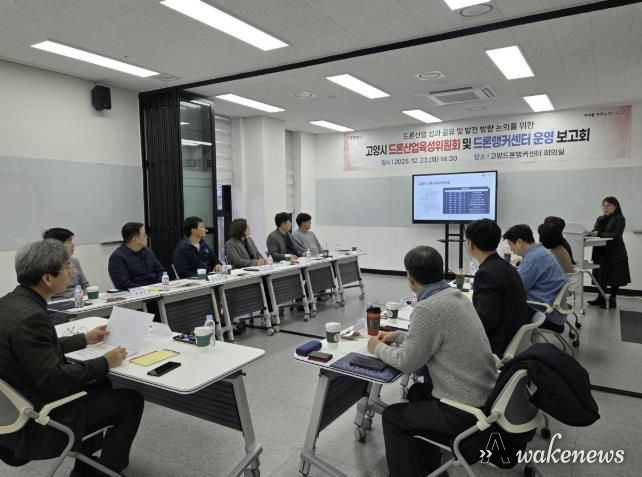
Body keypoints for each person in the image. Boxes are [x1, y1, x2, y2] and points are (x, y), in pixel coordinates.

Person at [0, 240, 143, 476]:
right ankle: (109, 471)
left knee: (101, 384)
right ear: (48, 278)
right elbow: (54, 379)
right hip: (38, 421)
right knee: (132, 400)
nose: (71, 271)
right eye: (67, 267)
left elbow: (36, 348)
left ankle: (84, 470)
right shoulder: (32, 317)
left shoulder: (9, 304)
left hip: (16, 404)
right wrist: (105, 362)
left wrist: (84, 339)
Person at [367, 246, 497, 477]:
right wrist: (397, 337)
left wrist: (377, 348)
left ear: (410, 278)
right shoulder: (456, 296)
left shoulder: (428, 308)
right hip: (486, 395)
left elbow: (408, 362)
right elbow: (435, 339)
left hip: (465, 409)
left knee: (392, 417)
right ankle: (428, 467)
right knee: (417, 392)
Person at [464, 219, 529, 356]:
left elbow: (486, 321)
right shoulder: (506, 266)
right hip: (512, 339)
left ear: (472, 244)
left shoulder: (486, 274)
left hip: (496, 346)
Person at [503, 224, 567, 333]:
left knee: (501, 305)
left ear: (519, 242)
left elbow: (517, 289)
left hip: (545, 314)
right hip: (553, 310)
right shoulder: (541, 252)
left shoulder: (533, 258)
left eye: (510, 245)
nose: (511, 249)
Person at [588, 196, 631, 308]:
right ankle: (600, 297)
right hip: (600, 251)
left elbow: (616, 235)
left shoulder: (620, 219)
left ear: (615, 207)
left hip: (615, 253)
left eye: (608, 206)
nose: (605, 208)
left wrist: (599, 234)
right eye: (603, 206)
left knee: (615, 276)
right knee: (600, 276)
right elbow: (595, 231)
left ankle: (612, 300)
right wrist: (590, 233)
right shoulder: (600, 218)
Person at [108, 222, 165, 290]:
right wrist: (147, 289)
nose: (147, 237)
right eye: (144, 235)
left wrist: (159, 285)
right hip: (136, 294)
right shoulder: (117, 258)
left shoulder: (148, 251)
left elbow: (161, 271)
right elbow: (123, 284)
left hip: (156, 290)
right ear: (135, 239)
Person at [42, 227, 89, 299]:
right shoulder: (44, 265)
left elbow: (85, 286)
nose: (73, 245)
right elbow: (44, 295)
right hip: (58, 304)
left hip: (78, 301)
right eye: (69, 241)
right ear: (57, 245)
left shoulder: (74, 261)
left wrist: (82, 299)